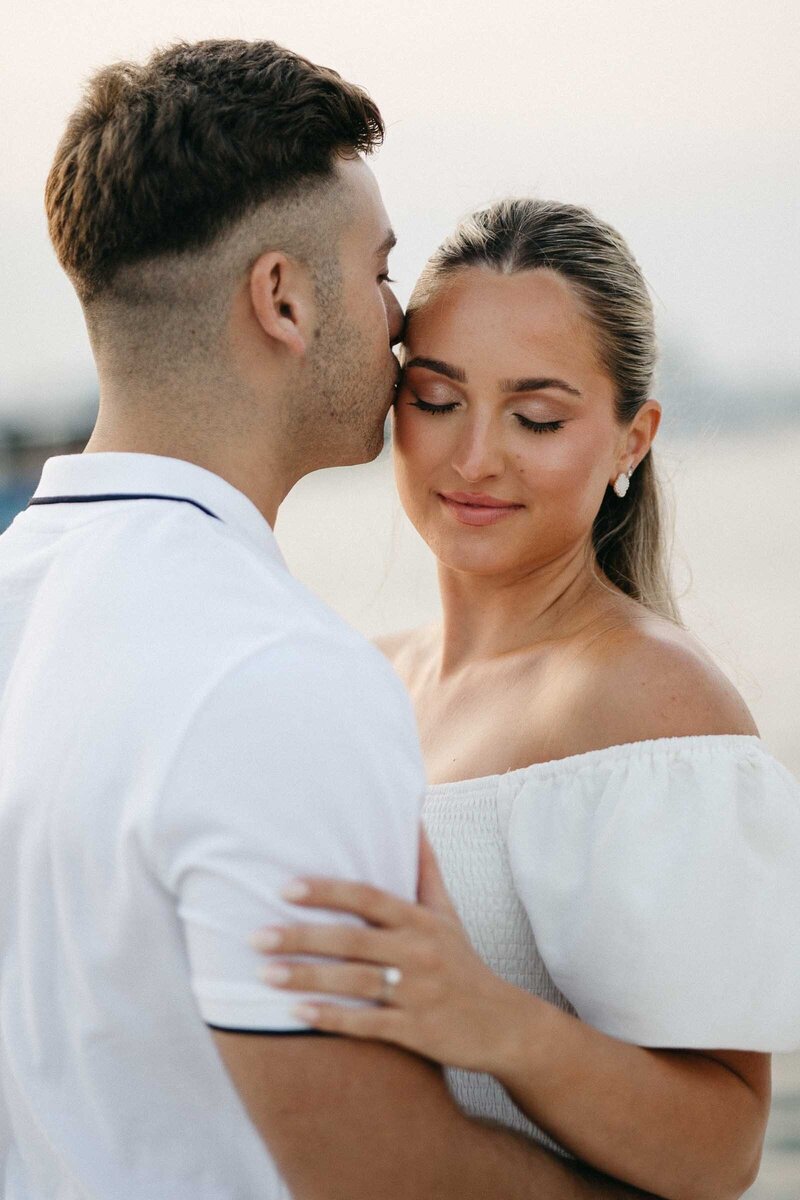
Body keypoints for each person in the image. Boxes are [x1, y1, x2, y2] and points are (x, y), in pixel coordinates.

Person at [0, 41, 654, 1200]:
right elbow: (387, 1174)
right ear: (284, 299)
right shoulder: (275, 670)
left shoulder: (19, 595)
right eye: (379, 268)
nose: (397, 319)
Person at [251, 198, 800, 1200]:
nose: (473, 459)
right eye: (435, 398)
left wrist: (495, 1024)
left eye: (536, 417)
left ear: (631, 439)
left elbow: (719, 1151)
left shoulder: (648, 705)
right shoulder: (361, 678)